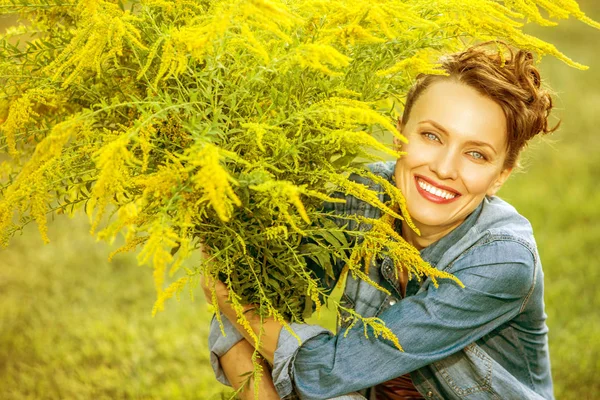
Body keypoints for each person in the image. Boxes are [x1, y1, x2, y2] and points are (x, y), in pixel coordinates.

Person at [203, 43, 556, 400]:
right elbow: (257, 298)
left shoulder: (503, 261)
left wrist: (234, 303)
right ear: (399, 132)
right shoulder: (365, 196)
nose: (444, 169)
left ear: (500, 176)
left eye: (476, 154)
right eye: (432, 136)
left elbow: (327, 370)